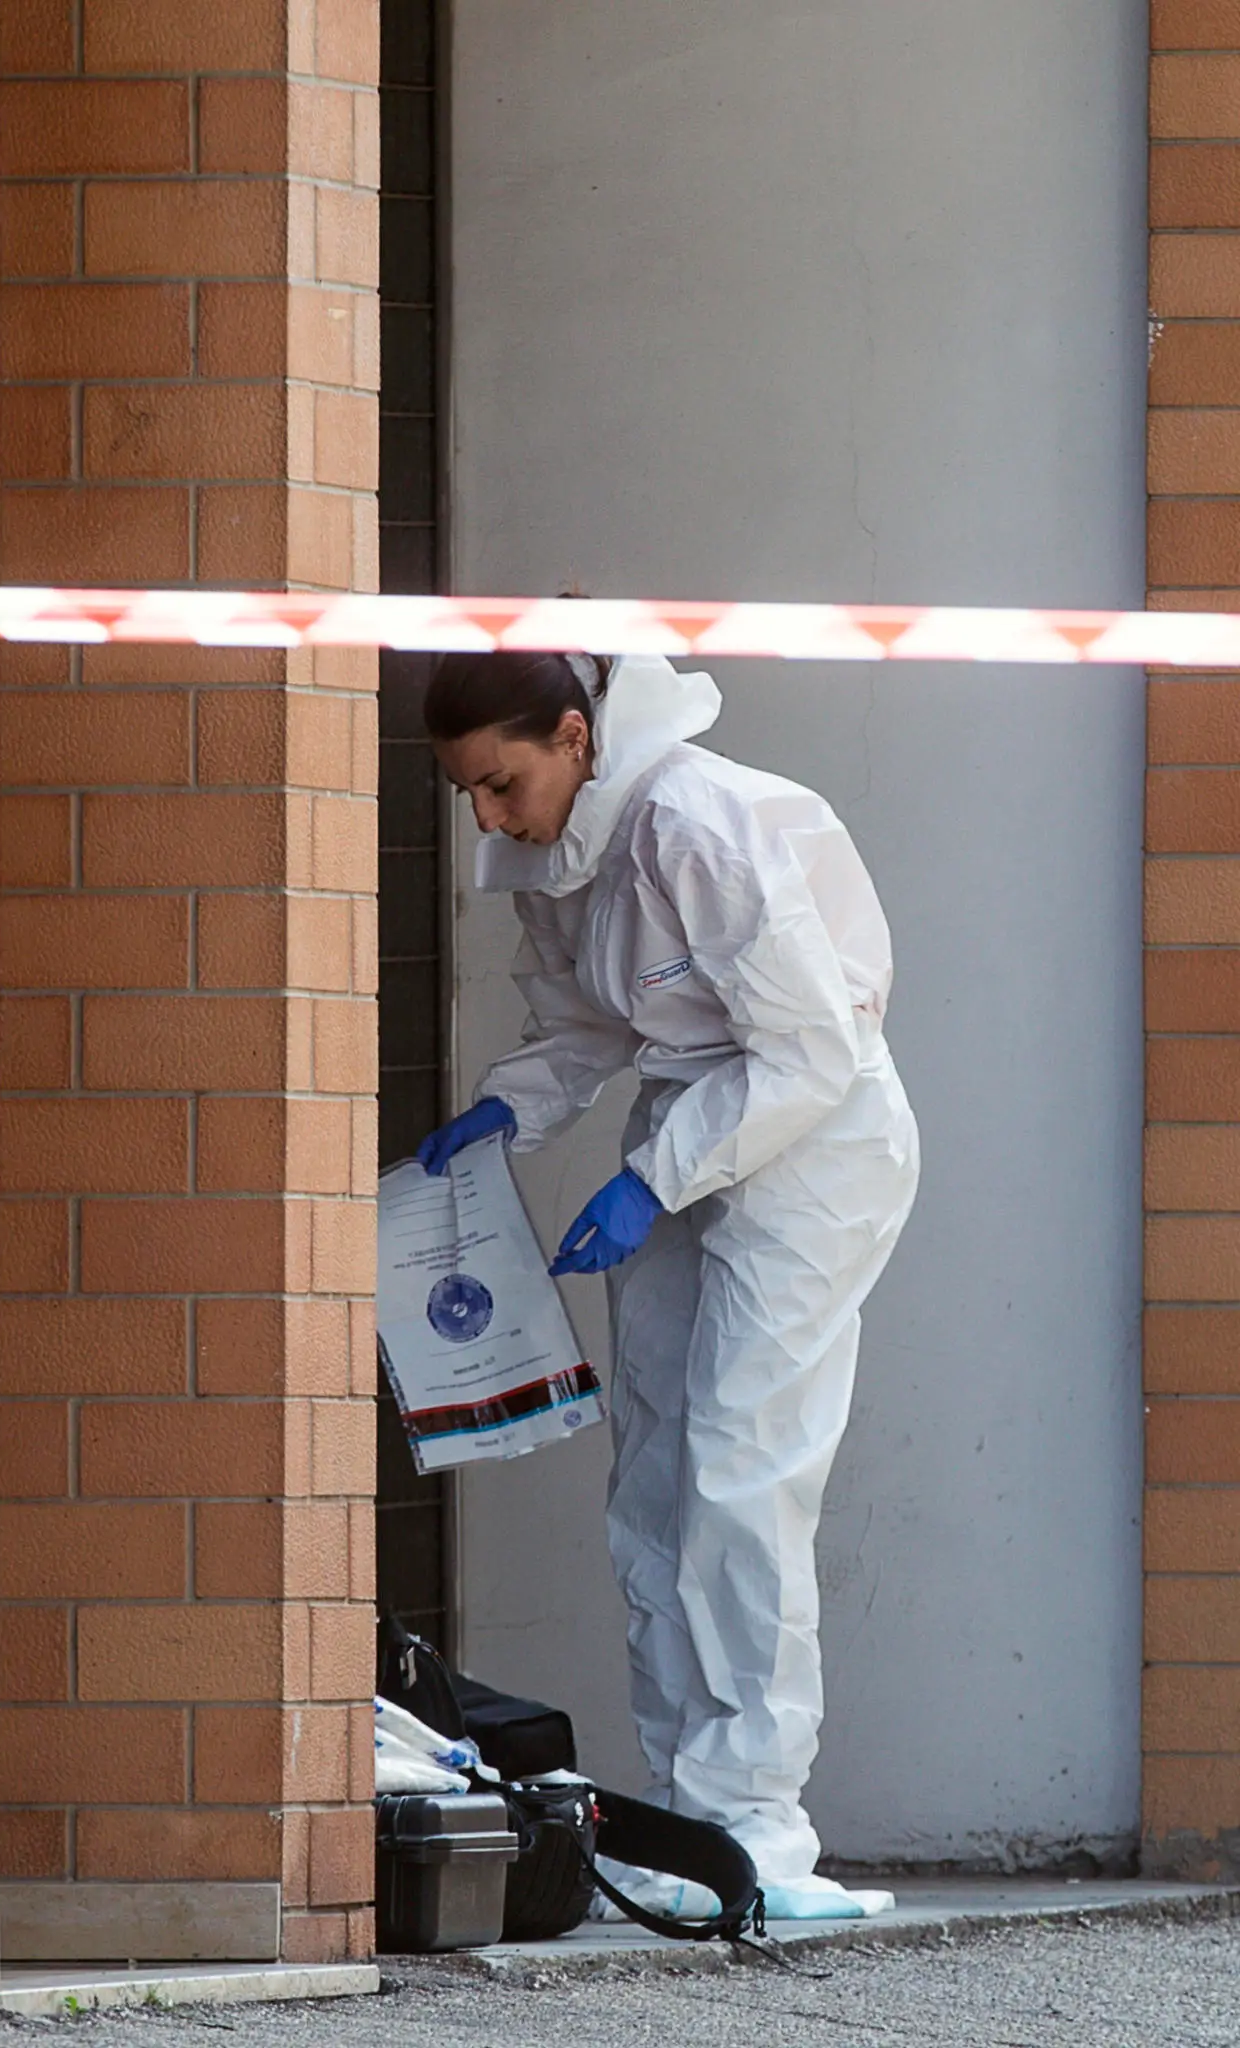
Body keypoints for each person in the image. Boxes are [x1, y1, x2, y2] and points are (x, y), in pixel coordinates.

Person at [414, 648, 919, 1923]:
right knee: (655, 1472)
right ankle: (688, 1816)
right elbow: (588, 1025)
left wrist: (655, 1175)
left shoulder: (696, 821)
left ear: (577, 735)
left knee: (744, 1467)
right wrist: (505, 1112)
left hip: (814, 1140)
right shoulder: (555, 842)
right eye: (468, 791)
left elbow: (809, 1051)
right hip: (693, 1121)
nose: (487, 812)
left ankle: (762, 1827)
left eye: (502, 781)